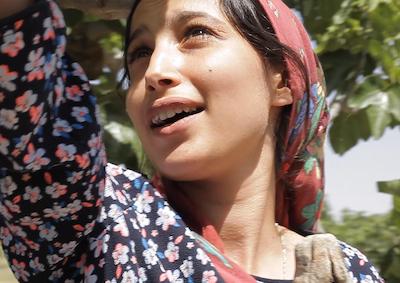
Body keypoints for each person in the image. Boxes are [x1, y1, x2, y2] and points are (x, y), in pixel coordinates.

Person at [0, 0, 384, 282]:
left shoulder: (350, 270)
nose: (155, 71)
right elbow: (24, 110)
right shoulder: (103, 221)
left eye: (196, 33)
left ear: (281, 79)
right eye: (140, 52)